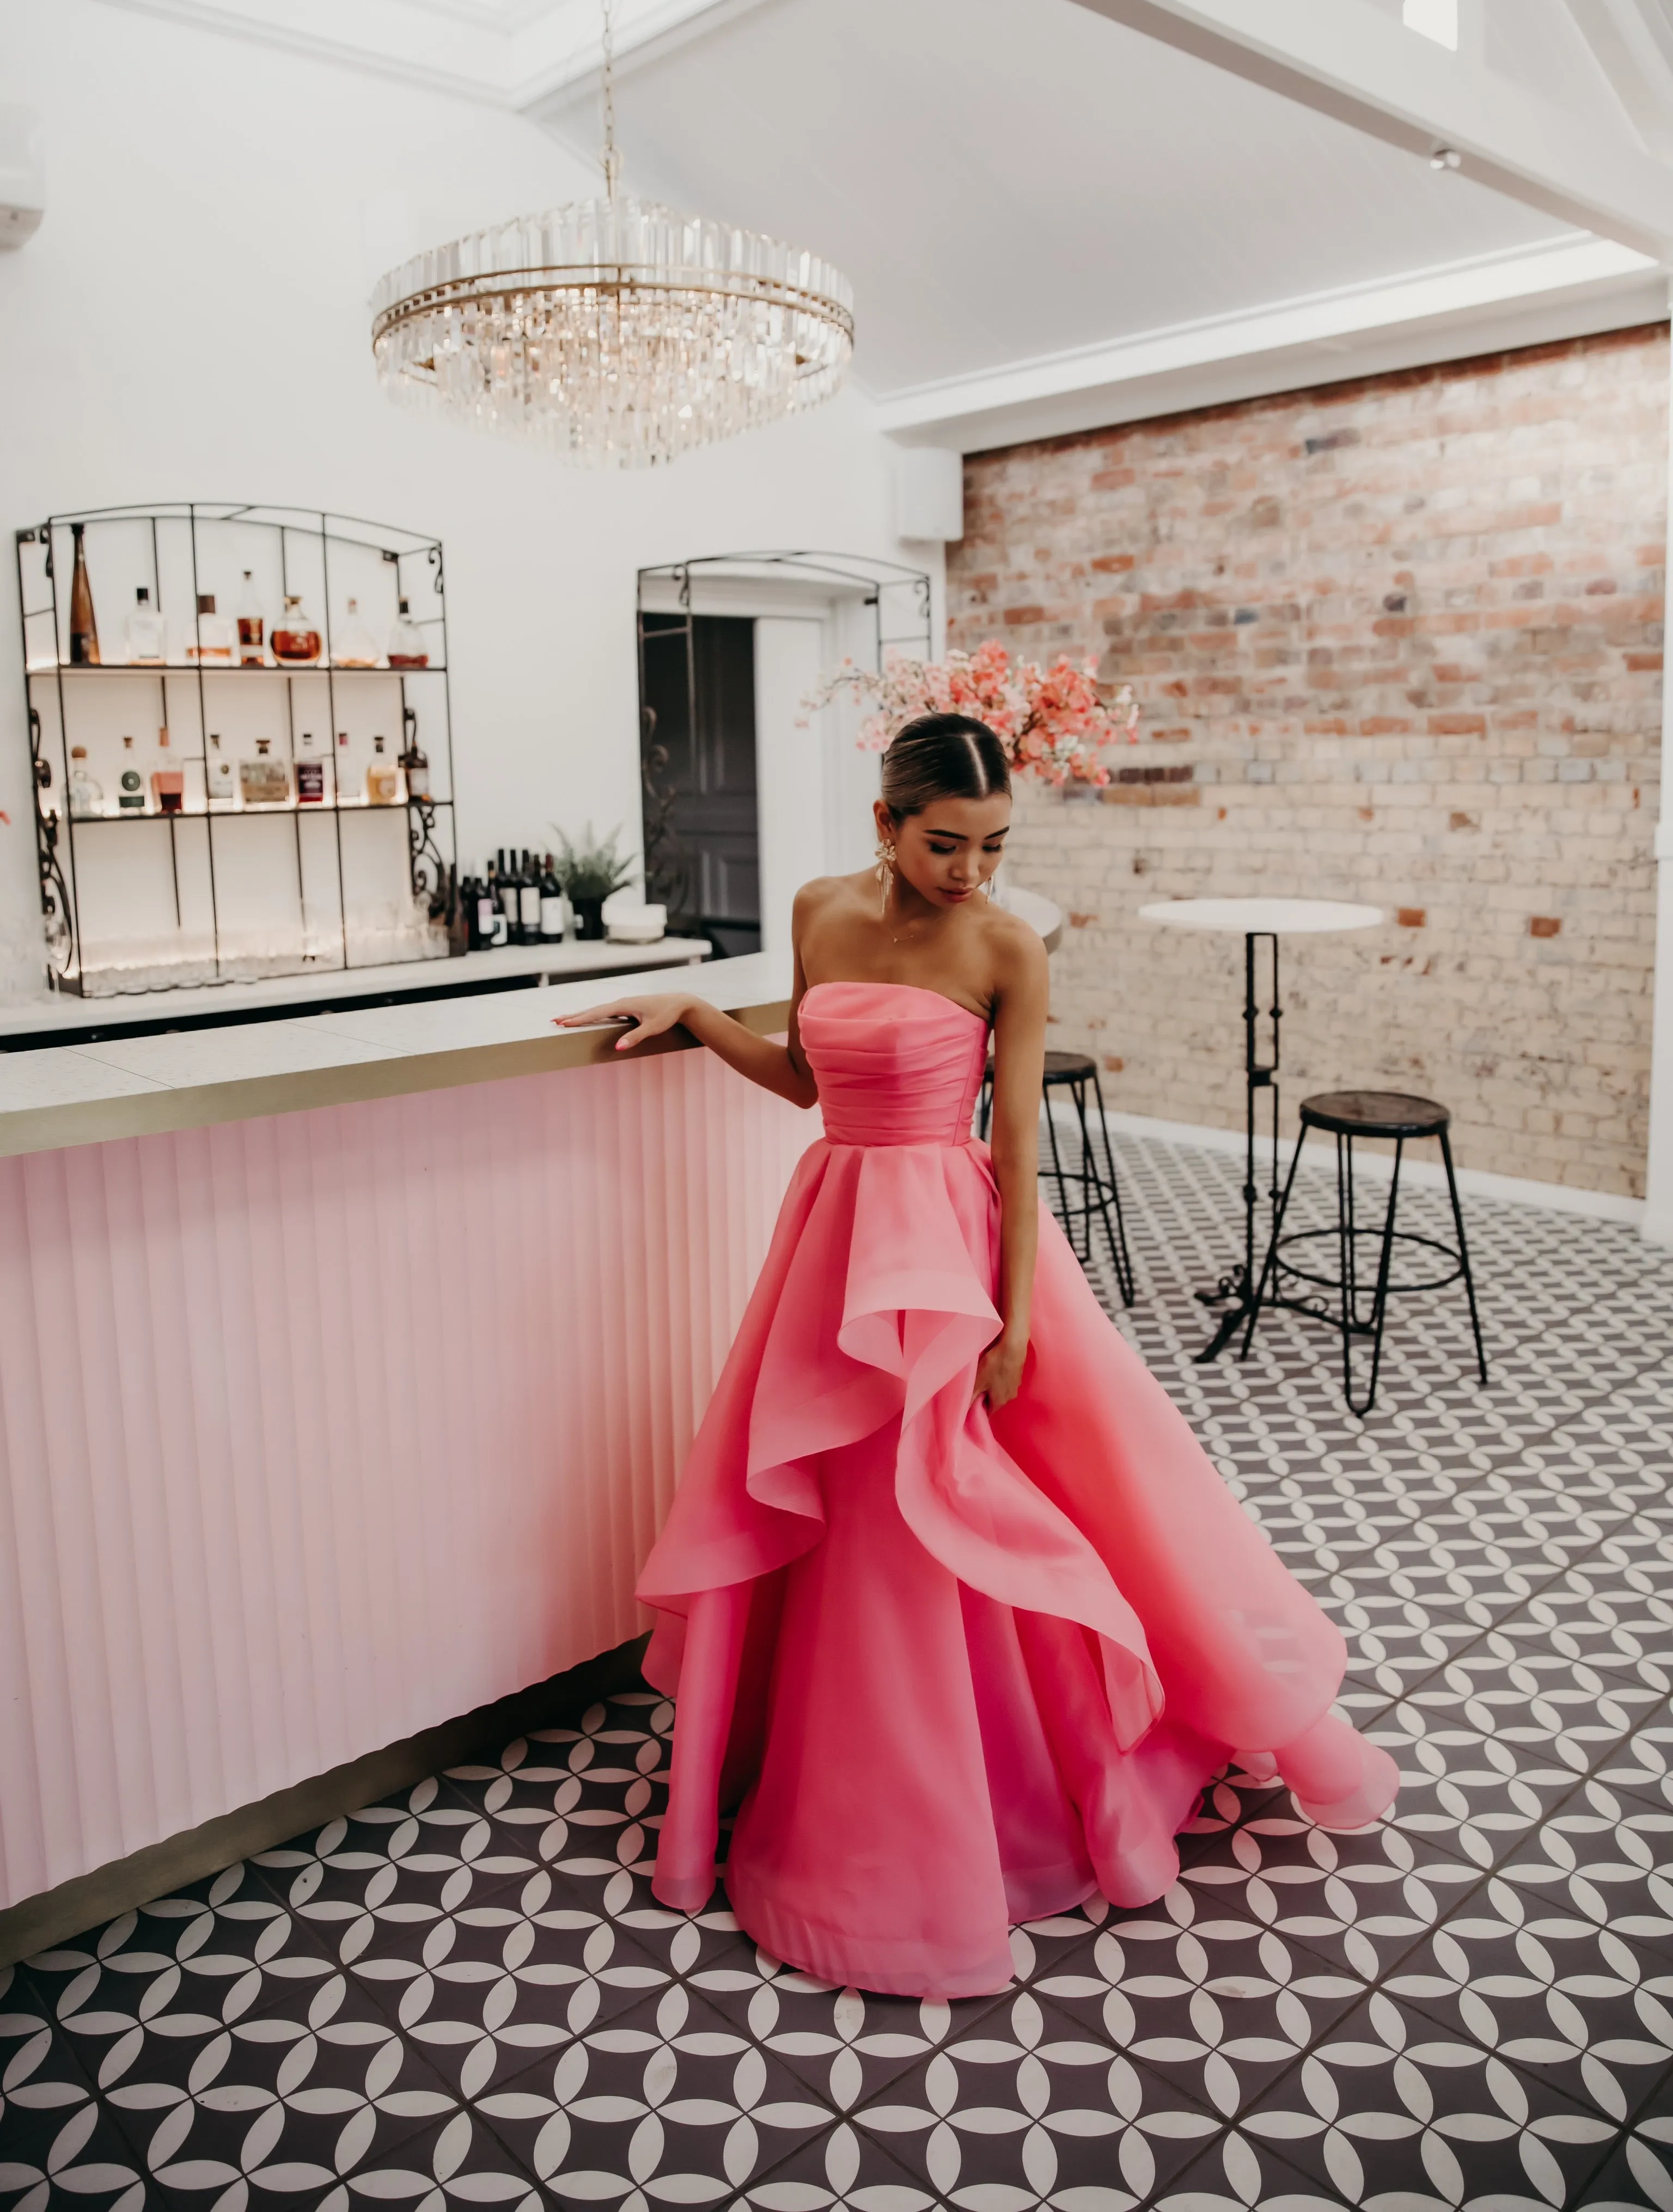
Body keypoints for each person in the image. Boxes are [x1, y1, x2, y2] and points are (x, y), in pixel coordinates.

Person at [555, 710, 1396, 2000]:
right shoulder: (819, 910)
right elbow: (804, 1077)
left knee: (955, 1509)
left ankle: (1004, 1788)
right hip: (834, 1237)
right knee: (843, 1511)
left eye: (994, 845)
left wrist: (1006, 1321)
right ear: (886, 825)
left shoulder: (1006, 942)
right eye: (948, 844)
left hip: (953, 1251)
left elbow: (1015, 1151)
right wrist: (696, 1015)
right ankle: (844, 1769)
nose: (973, 871)